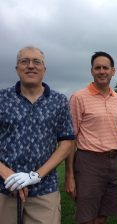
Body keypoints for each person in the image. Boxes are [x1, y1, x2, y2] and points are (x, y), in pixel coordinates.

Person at [0, 46, 75, 224]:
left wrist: (35, 176)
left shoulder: (58, 101)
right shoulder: (2, 99)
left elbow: (66, 143)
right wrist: (7, 174)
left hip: (44, 190)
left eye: (36, 62)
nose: (30, 66)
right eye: (24, 61)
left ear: (44, 69)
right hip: (4, 190)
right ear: (17, 68)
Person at [64, 51, 117, 224]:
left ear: (113, 71)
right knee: (86, 216)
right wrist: (69, 175)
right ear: (91, 71)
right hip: (88, 162)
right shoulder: (78, 98)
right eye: (97, 68)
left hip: (114, 163)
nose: (101, 71)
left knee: (102, 215)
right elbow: (71, 139)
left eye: (105, 68)